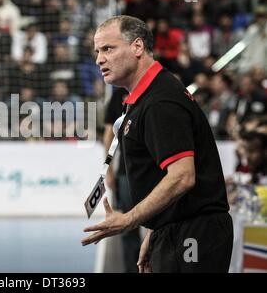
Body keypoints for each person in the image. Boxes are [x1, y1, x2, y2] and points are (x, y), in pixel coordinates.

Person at [82, 15, 233, 273]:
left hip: (193, 234)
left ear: (137, 47)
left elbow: (182, 177)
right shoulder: (147, 97)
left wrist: (129, 219)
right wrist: (155, 231)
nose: (99, 59)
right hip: (177, 228)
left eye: (108, 48)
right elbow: (166, 178)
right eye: (97, 51)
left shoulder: (160, 102)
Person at [103, 88, 141, 273]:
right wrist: (107, 169)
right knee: (128, 226)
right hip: (125, 172)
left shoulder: (156, 88)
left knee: (161, 225)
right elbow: (109, 134)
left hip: (156, 171)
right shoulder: (118, 95)